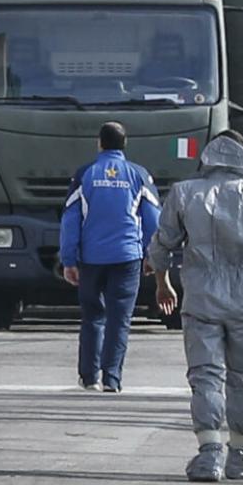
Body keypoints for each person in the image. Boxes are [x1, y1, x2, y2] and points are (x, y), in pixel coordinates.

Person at [148, 131, 243, 482]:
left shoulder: (184, 192)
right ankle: (241, 450)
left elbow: (161, 244)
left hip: (199, 295)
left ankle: (209, 450)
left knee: (206, 373)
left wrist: (163, 284)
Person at [60, 122, 160, 393]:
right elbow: (153, 220)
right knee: (120, 318)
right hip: (128, 257)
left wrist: (69, 260)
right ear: (124, 144)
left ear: (99, 143)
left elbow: (71, 221)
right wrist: (153, 257)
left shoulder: (85, 175)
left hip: (91, 259)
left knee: (93, 315)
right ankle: (112, 378)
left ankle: (89, 377)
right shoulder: (139, 175)